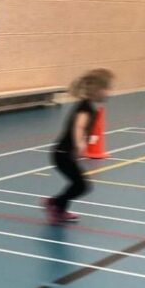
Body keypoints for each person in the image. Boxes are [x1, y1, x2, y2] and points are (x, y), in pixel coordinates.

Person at [44, 69, 114, 224]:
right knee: (82, 185)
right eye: (107, 89)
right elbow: (79, 126)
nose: (109, 92)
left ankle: (57, 205)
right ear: (98, 90)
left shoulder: (89, 106)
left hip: (64, 154)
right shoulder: (85, 108)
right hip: (62, 154)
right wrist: (80, 145)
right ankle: (55, 204)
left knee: (79, 183)